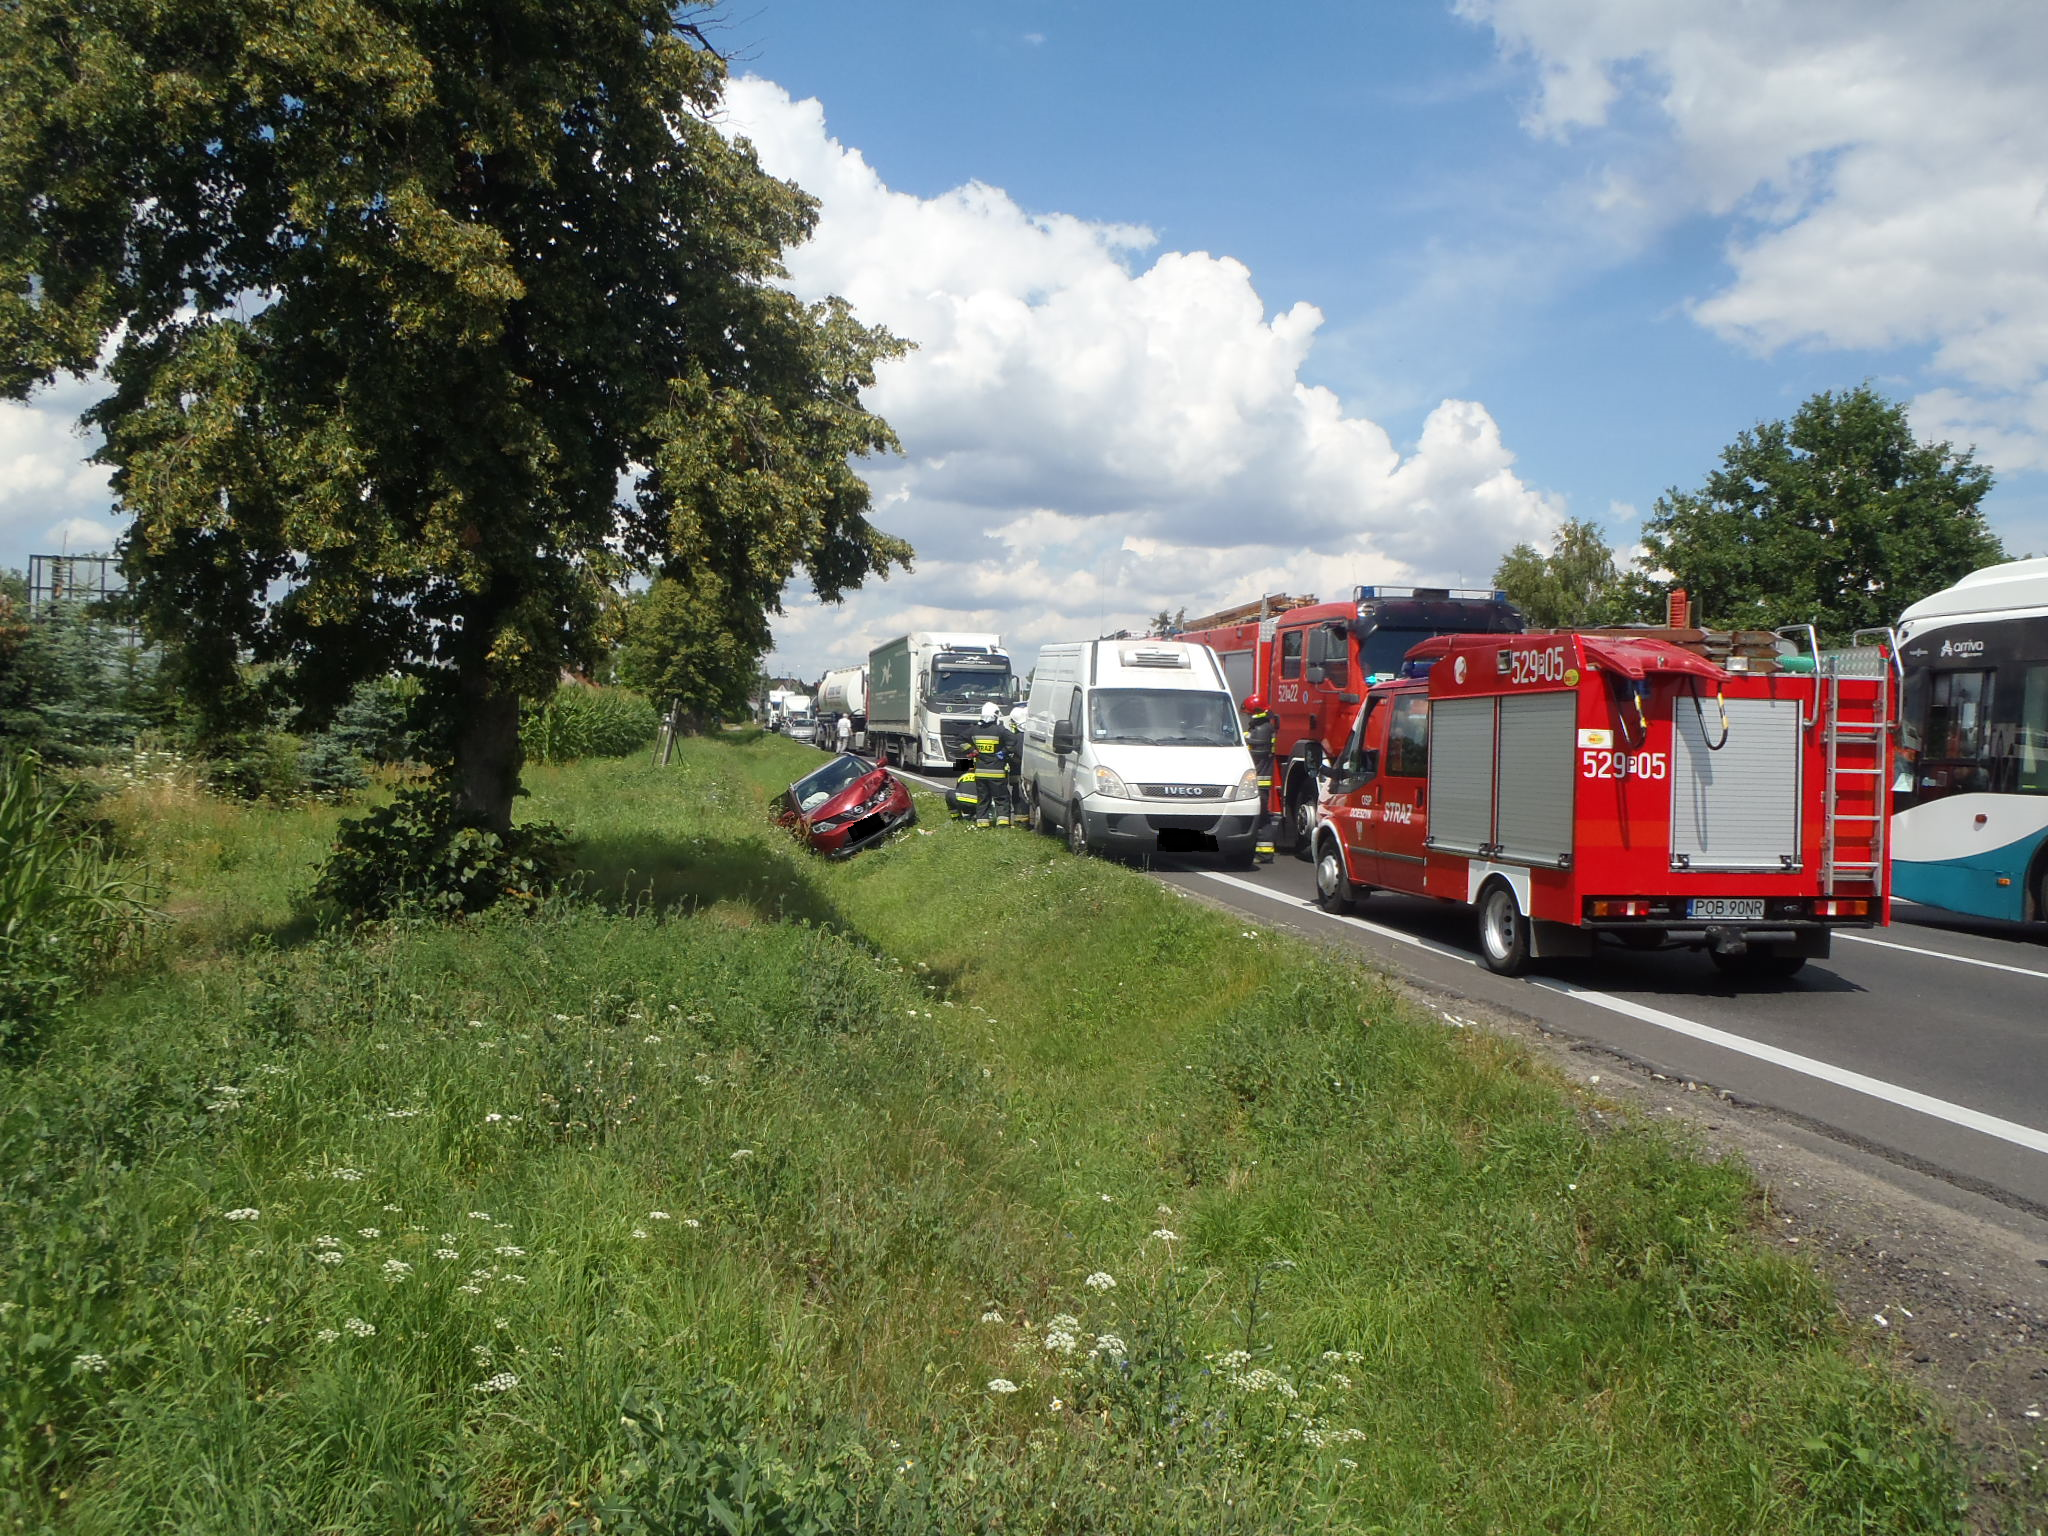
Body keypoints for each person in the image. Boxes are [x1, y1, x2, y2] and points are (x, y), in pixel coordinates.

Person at [1242, 692, 1278, 864]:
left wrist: (1243, 739)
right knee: (1262, 816)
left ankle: (1264, 854)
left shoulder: (1262, 729)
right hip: (1260, 781)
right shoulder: (1264, 727)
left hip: (1260, 781)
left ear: (1256, 712)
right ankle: (1262, 852)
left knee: (1262, 817)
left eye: (1249, 714)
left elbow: (1256, 751)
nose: (1248, 717)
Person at [972, 707, 1010, 825]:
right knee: (1001, 798)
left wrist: (972, 750)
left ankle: (982, 823)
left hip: (980, 772)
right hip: (996, 773)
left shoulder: (975, 730)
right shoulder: (1001, 730)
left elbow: (960, 740)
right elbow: (1013, 742)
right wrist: (1003, 752)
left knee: (983, 799)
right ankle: (1003, 822)